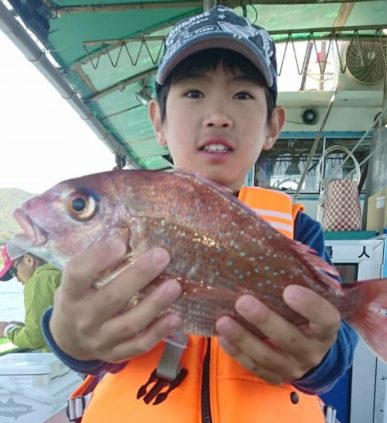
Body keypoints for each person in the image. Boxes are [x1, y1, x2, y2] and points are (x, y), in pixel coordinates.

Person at [41, 6, 358, 422]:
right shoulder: (126, 213)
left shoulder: (298, 227)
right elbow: (87, 329)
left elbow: (337, 345)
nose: (218, 116)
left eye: (243, 95)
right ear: (158, 120)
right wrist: (69, 337)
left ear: (272, 126)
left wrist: (321, 357)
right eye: (193, 92)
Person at [0, 241, 61, 351]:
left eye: (14, 272)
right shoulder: (62, 272)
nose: (17, 279)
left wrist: (6, 329)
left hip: (69, 363)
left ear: (29, 259)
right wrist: (24, 328)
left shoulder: (40, 279)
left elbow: (35, 338)